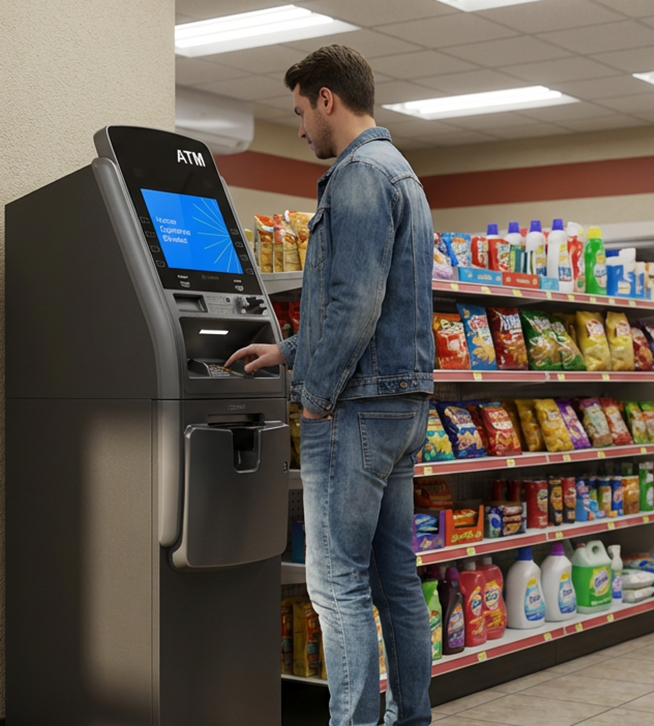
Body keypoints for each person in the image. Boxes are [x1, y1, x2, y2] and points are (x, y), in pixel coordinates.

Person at [225, 45, 435, 726]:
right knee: (395, 581)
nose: (299, 130)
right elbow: (370, 305)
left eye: (299, 113)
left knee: (337, 585)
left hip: (354, 413)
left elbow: (355, 304)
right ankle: (411, 718)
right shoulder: (401, 171)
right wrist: (286, 350)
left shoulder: (356, 175)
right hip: (401, 406)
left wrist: (313, 394)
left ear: (326, 99)